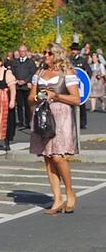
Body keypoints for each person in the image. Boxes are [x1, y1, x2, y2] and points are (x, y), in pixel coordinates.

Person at [29, 43, 80, 214]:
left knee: (58, 156)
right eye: (45, 52)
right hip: (43, 116)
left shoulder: (67, 73)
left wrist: (56, 95)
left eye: (49, 53)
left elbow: (76, 99)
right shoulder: (39, 73)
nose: (45, 55)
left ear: (57, 55)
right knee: (48, 157)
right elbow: (30, 98)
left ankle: (70, 192)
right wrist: (38, 97)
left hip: (61, 116)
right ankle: (57, 198)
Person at [11, 45, 37, 128]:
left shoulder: (31, 62)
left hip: (27, 86)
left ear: (26, 52)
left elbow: (32, 73)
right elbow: (12, 72)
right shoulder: (15, 62)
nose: (22, 53)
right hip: (18, 86)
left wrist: (25, 81)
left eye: (23, 51)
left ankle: (28, 121)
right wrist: (17, 80)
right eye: (20, 51)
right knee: (19, 105)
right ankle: (20, 121)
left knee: (27, 105)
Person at [69, 42, 89, 129]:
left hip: (80, 86)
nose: (73, 51)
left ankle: (82, 123)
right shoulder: (68, 60)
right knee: (70, 104)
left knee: (81, 105)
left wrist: (86, 81)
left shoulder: (82, 60)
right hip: (70, 85)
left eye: (75, 50)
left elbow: (88, 71)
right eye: (72, 49)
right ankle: (71, 122)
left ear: (78, 51)